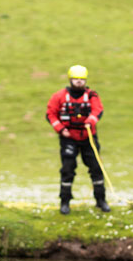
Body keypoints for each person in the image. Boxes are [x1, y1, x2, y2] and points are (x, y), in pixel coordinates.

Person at [46, 64, 110, 214]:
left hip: (89, 138)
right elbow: (50, 114)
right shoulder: (59, 96)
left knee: (96, 168)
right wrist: (61, 130)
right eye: (76, 79)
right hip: (68, 138)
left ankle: (101, 200)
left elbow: (97, 110)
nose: (79, 82)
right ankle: (65, 201)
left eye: (82, 79)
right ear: (70, 79)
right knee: (67, 169)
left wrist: (90, 121)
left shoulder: (92, 95)